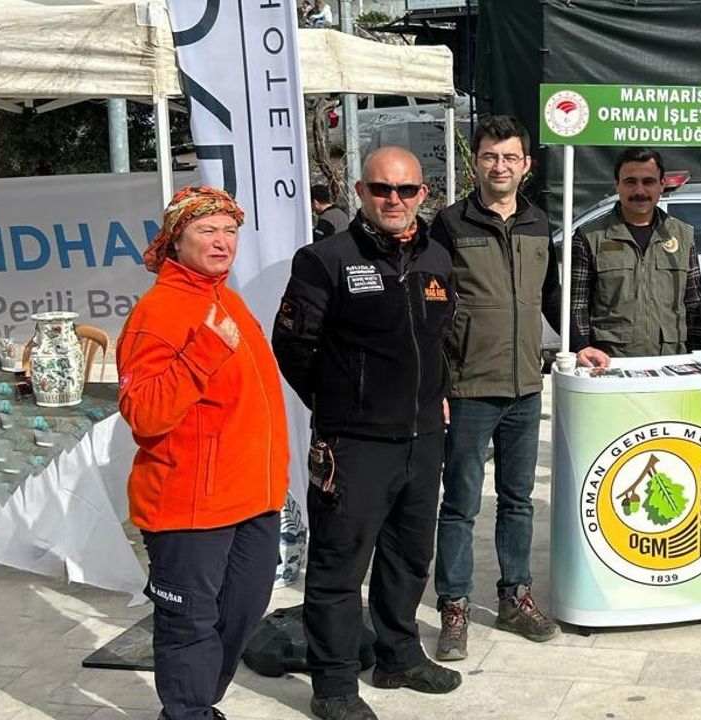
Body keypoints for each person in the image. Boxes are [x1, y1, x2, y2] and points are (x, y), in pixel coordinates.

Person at [273, 146, 461, 720]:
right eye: (382, 189)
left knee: (409, 556)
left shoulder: (437, 258)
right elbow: (293, 347)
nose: (394, 200)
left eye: (405, 190)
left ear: (423, 194)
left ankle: (398, 656)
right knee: (339, 566)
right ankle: (333, 686)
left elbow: (438, 340)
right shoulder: (325, 259)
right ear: (360, 191)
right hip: (353, 444)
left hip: (422, 439)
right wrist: (340, 405)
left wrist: (437, 394)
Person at [118, 186, 290, 720]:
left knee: (243, 611)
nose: (222, 242)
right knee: (189, 624)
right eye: (207, 230)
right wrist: (201, 355)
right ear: (176, 239)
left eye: (230, 230)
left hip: (253, 499)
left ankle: (196, 705)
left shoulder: (227, 299)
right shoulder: (156, 312)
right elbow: (144, 413)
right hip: (190, 505)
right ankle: (187, 711)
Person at [430, 116, 563, 661]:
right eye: (490, 156)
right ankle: (454, 606)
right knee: (460, 503)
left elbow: (551, 297)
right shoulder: (449, 224)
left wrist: (582, 343)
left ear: (526, 165)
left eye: (510, 157)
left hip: (525, 387)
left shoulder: (538, 223)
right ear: (476, 162)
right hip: (468, 386)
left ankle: (515, 597)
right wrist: (437, 381)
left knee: (517, 501)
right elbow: (432, 306)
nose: (500, 166)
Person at [570, 147, 701, 366]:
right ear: (617, 185)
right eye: (630, 182)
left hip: (671, 364)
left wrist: (699, 359)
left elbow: (694, 305)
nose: (639, 190)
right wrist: (582, 347)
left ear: (662, 184)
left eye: (648, 181)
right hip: (611, 364)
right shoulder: (590, 236)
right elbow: (577, 305)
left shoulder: (683, 236)